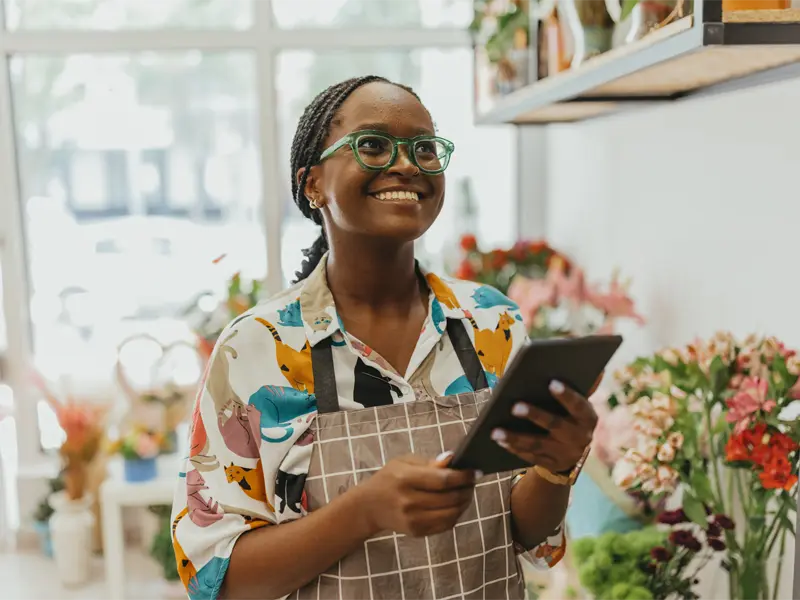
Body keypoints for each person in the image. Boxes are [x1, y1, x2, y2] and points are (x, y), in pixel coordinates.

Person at [171, 75, 598, 600]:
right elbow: (219, 579)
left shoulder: (492, 322)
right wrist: (363, 509)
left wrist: (555, 468)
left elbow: (520, 535)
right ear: (313, 184)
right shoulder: (256, 349)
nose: (406, 164)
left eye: (424, 148)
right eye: (373, 145)